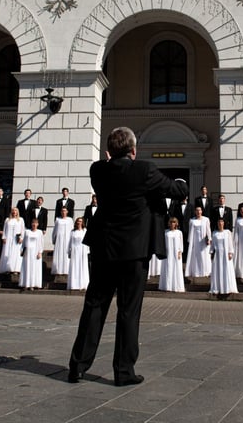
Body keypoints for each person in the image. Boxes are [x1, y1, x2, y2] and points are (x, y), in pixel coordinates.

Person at [68, 126, 188, 386]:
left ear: (109, 151)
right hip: (134, 252)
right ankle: (123, 371)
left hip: (104, 248)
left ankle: (77, 365)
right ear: (134, 150)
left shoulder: (97, 170)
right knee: (128, 310)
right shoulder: (145, 170)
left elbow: (112, 172)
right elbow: (177, 191)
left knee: (95, 305)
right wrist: (179, 183)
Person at [209, 219, 238, 295]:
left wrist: (230, 252)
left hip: (226, 254)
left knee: (226, 270)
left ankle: (227, 287)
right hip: (218, 255)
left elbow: (230, 243)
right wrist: (211, 252)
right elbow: (213, 244)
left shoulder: (227, 232)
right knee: (218, 270)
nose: (220, 224)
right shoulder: (214, 233)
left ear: (224, 223)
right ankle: (218, 287)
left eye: (221, 222)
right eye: (219, 222)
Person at [185, 206, 212, 278]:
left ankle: (206, 272)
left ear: (201, 211)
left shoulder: (206, 219)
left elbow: (208, 230)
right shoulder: (192, 220)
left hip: (203, 241)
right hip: (195, 241)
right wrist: (190, 242)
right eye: (197, 210)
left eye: (199, 210)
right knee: (196, 256)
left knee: (204, 256)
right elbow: (190, 232)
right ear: (195, 212)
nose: (198, 212)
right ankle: (196, 272)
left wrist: (209, 239)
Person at [159, 218, 185, 292]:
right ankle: (167, 286)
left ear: (176, 223)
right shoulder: (166, 232)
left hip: (176, 253)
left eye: (174, 222)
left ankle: (177, 287)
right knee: (168, 268)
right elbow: (163, 243)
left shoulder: (179, 232)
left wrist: (180, 252)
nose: (172, 224)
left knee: (177, 268)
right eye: (171, 222)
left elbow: (181, 243)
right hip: (168, 253)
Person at [19, 218, 45, 290]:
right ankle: (26, 284)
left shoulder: (39, 232)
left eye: (35, 223)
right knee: (27, 267)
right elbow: (24, 243)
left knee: (34, 268)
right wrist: (22, 250)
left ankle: (33, 284)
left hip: (35, 252)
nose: (34, 224)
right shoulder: (27, 232)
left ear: (38, 224)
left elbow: (41, 243)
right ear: (31, 224)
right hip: (27, 252)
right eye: (33, 223)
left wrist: (40, 252)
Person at [0, 207, 25, 274]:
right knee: (7, 252)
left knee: (16, 253)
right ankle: (7, 268)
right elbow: (4, 229)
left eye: (15, 210)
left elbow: (23, 230)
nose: (14, 212)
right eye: (13, 210)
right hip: (8, 239)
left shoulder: (20, 220)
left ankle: (16, 269)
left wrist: (21, 238)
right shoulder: (7, 220)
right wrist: (4, 237)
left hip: (17, 240)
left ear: (17, 212)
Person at [67, 217, 90, 291]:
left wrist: (87, 251)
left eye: (80, 221)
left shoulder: (85, 231)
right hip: (74, 251)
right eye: (78, 221)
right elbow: (70, 242)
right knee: (74, 267)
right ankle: (74, 285)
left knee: (82, 267)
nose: (79, 222)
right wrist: (69, 251)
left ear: (82, 223)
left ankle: (82, 284)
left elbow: (87, 242)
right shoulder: (72, 232)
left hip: (82, 251)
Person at [51, 206, 73, 275]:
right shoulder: (58, 219)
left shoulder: (70, 220)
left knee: (66, 254)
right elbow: (55, 230)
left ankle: (66, 269)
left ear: (67, 212)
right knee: (59, 253)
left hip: (67, 239)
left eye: (65, 211)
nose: (63, 212)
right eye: (62, 211)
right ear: (61, 212)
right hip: (59, 239)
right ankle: (58, 269)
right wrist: (54, 239)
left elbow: (72, 230)